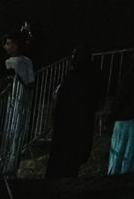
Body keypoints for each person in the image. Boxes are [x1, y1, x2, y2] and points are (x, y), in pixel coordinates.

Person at [45, 45, 105, 179]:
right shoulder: (94, 74)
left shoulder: (75, 76)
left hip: (69, 126)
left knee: (64, 161)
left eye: (74, 56)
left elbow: (64, 100)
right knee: (72, 162)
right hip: (81, 125)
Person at [107, 40, 134, 175]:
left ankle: (115, 177)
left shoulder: (129, 75)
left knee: (118, 152)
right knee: (130, 152)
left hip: (124, 118)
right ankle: (126, 175)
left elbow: (121, 98)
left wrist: (111, 116)